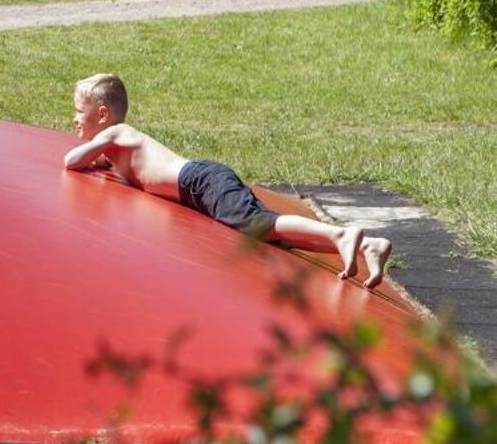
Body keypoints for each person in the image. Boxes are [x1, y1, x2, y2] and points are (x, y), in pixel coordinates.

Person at [63, 73, 392, 287]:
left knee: (259, 223)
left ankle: (342, 234)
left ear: (102, 114)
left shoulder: (119, 133)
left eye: (79, 111)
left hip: (201, 182)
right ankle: (367, 247)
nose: (74, 119)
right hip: (201, 186)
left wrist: (93, 154)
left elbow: (71, 161)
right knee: (270, 234)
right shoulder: (114, 148)